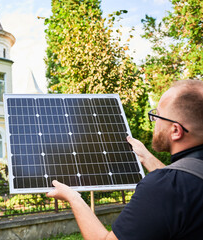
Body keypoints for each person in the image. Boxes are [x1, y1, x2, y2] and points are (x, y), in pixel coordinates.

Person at [47, 79, 203, 240]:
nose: (154, 122)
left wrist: (73, 197)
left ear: (176, 131)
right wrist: (147, 158)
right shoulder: (180, 185)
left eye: (157, 116)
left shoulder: (162, 189)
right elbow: (183, 183)